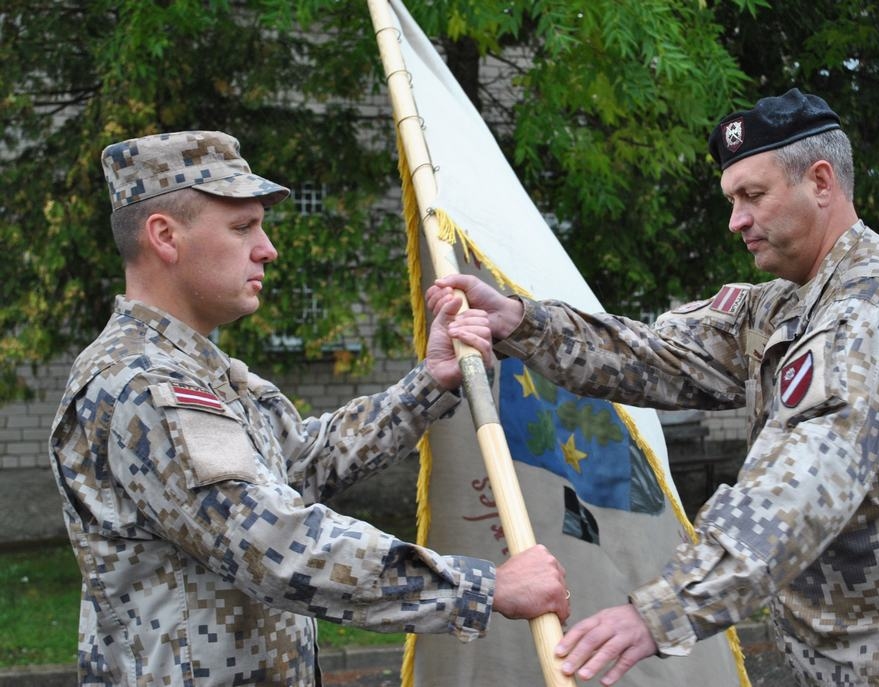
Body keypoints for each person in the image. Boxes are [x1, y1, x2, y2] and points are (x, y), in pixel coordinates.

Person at [429, 89, 879, 686]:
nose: (737, 221)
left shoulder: (873, 314)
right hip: (849, 659)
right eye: (732, 199)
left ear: (822, 182)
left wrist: (664, 607)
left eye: (753, 196)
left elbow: (799, 487)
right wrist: (521, 323)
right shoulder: (788, 301)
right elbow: (659, 355)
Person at [48, 130, 569, 685]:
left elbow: (302, 466)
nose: (267, 247)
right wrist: (483, 587)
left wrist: (429, 383)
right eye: (243, 226)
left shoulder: (197, 370)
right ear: (164, 237)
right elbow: (273, 543)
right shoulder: (141, 383)